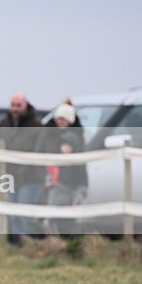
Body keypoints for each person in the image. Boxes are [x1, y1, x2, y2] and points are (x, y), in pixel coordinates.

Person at [0, 92, 45, 245]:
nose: (15, 109)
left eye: (18, 105)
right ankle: (17, 247)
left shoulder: (36, 126)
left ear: (25, 105)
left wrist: (27, 167)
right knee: (13, 215)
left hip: (30, 177)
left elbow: (40, 151)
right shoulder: (4, 124)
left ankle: (30, 245)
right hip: (9, 176)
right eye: (13, 105)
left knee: (25, 215)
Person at [41, 100, 88, 235]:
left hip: (69, 182)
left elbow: (80, 170)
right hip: (51, 181)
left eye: (65, 119)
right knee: (53, 218)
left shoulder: (75, 138)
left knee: (65, 219)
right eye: (59, 118)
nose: (61, 121)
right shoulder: (48, 135)